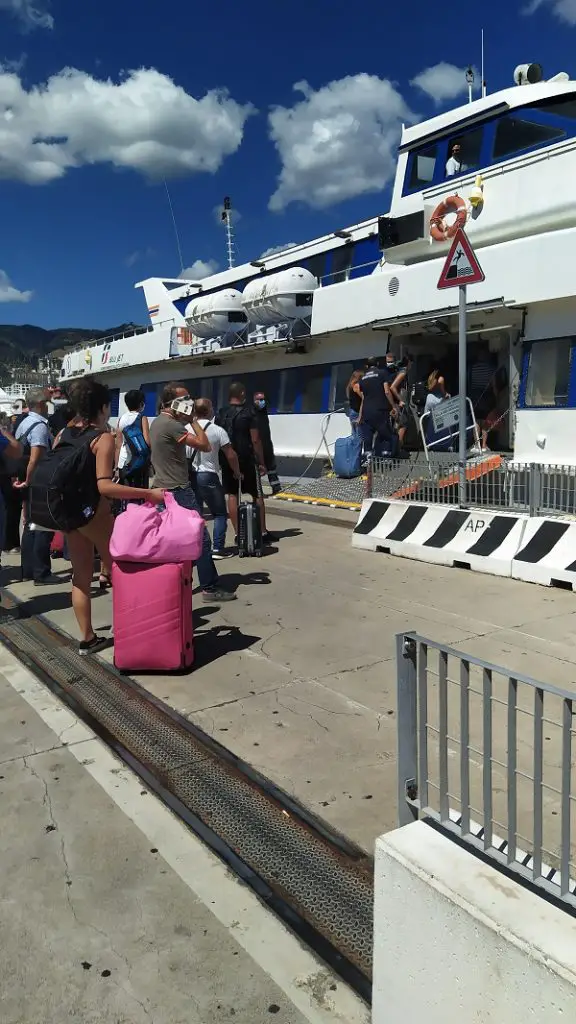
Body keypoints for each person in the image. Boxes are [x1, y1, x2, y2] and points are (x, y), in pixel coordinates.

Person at [51, 378, 166, 655]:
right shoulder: (100, 438)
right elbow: (104, 485)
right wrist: (148, 494)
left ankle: (88, 638)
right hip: (94, 513)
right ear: (103, 407)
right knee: (123, 568)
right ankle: (130, 629)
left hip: (69, 514)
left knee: (80, 576)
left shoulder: (62, 434)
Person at [149, 382, 236, 603]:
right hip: (179, 490)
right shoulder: (173, 425)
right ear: (173, 403)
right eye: (185, 399)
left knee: (171, 542)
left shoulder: (157, 422)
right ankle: (208, 587)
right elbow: (204, 445)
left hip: (162, 488)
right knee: (201, 540)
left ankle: (172, 586)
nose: (189, 402)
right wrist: (193, 421)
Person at [216, 382, 274, 545]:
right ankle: (262, 532)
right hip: (247, 458)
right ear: (241, 393)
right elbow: (255, 440)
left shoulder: (221, 413)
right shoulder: (250, 413)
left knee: (233, 495)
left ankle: (238, 534)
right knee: (257, 494)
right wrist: (262, 462)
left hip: (227, 459)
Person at [15, 388, 60, 586]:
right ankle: (42, 572)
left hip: (26, 481)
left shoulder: (24, 423)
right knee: (43, 524)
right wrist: (29, 479)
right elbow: (35, 458)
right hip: (38, 482)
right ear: (41, 404)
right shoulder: (40, 426)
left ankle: (28, 570)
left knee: (30, 525)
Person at [189, 397, 240, 559]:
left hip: (191, 476)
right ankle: (217, 548)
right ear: (210, 410)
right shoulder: (218, 430)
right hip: (209, 475)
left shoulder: (185, 429)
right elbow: (230, 454)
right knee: (219, 513)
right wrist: (237, 472)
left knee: (196, 515)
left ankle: (195, 548)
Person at [358, 357, 396, 457]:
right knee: (385, 435)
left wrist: (360, 415)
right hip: (380, 410)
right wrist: (393, 406)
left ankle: (368, 461)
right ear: (378, 363)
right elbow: (387, 391)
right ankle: (386, 458)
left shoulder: (362, 378)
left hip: (367, 411)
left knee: (368, 437)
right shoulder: (382, 373)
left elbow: (363, 398)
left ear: (367, 366)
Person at [115, 389, 151, 488]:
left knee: (126, 492)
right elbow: (147, 441)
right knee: (139, 493)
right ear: (141, 403)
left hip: (123, 463)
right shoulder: (142, 417)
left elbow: (118, 445)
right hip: (138, 463)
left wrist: (116, 467)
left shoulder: (121, 419)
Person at [253, 391, 281, 494]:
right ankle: (258, 491)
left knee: (271, 467)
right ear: (254, 401)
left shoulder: (264, 412)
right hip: (257, 444)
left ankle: (276, 488)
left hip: (267, 444)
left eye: (263, 399)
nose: (262, 402)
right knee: (257, 468)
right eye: (260, 400)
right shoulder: (252, 413)